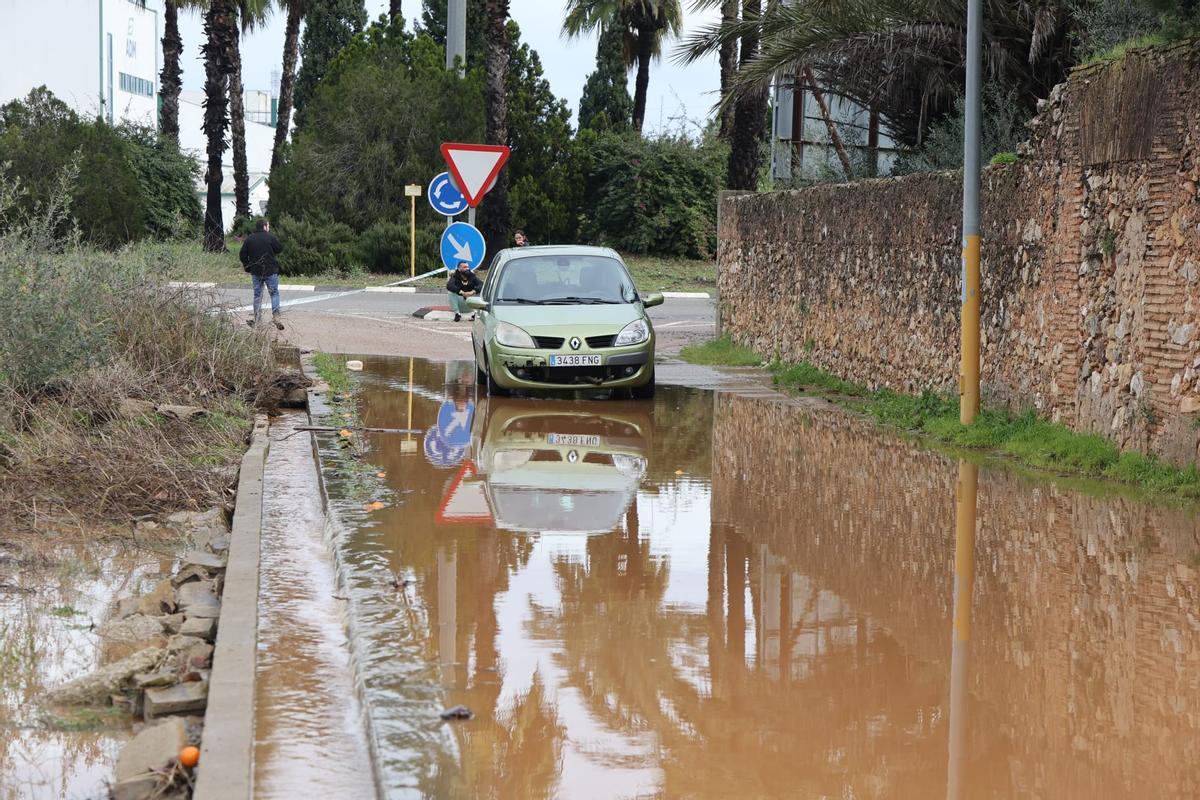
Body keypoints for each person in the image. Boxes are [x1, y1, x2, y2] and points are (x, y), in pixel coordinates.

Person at [239, 218, 285, 330]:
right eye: (268, 226)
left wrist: (247, 266)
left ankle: (258, 320)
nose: (268, 228)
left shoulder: (250, 239)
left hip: (256, 271)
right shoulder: (270, 237)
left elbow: (242, 254)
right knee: (274, 293)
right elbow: (279, 248)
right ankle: (276, 317)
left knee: (257, 296)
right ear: (264, 227)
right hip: (271, 271)